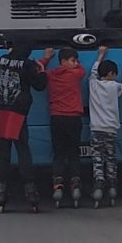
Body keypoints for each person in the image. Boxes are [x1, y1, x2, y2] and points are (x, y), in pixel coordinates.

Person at [0, 38, 47, 208]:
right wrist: (41, 70)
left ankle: (1, 192)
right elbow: (40, 86)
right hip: (17, 114)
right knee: (23, 151)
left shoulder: (0, 61)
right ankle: (30, 191)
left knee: (2, 153)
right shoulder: (27, 65)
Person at [39, 46, 86, 206]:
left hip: (56, 118)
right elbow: (82, 69)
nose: (76, 63)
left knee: (58, 153)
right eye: (73, 60)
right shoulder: (76, 74)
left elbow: (38, 67)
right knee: (73, 153)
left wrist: (46, 57)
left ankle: (58, 184)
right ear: (64, 61)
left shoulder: (50, 75)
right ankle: (75, 183)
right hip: (73, 119)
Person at [89, 44, 122, 206]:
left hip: (96, 129)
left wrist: (101, 54)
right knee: (110, 158)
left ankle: (99, 184)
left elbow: (93, 71)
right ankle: (113, 185)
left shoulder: (93, 85)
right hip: (111, 129)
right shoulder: (115, 87)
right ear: (111, 74)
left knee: (97, 158)